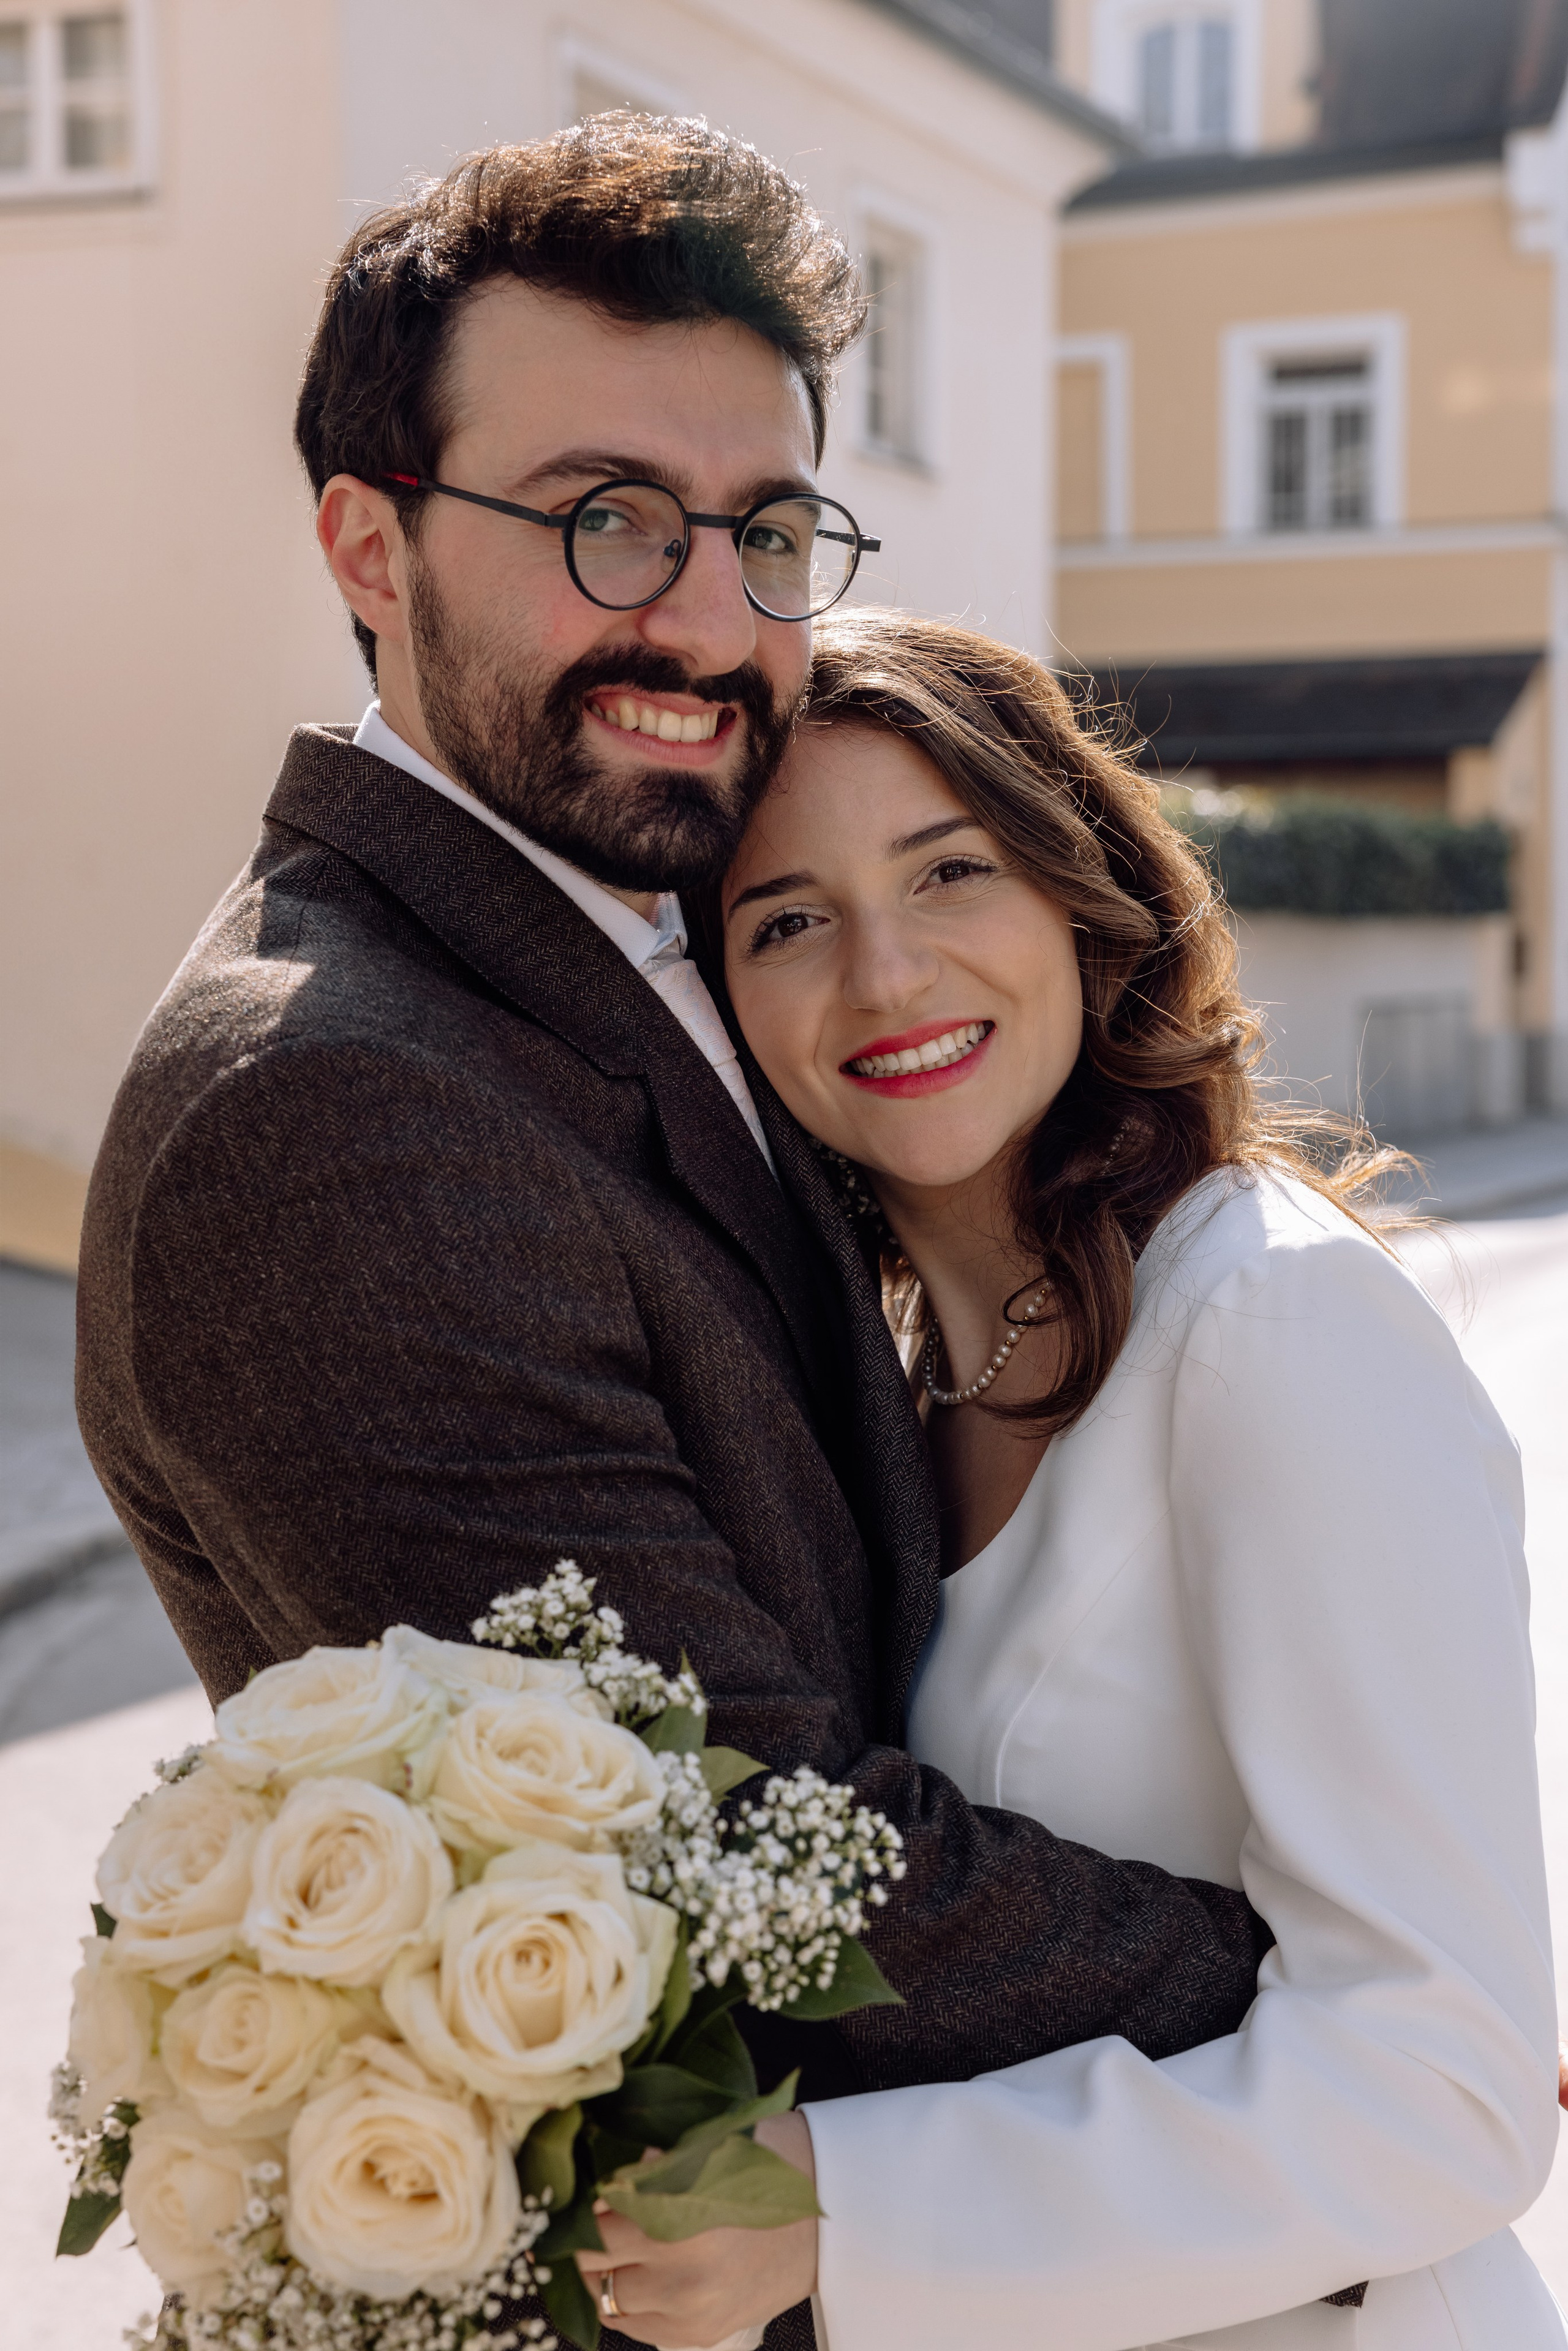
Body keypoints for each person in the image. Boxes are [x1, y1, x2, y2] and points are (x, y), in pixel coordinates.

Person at [74, 119, 1271, 2351]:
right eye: (606, 519)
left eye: (770, 532)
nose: (712, 622)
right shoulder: (332, 1111)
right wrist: (1338, 1997)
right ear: (368, 542)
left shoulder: (666, 929)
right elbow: (752, 1852)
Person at [576, 606, 1562, 2347]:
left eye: (950, 874)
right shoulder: (896, 1394)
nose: (886, 975)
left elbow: (1451, 2087)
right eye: (788, 921)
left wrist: (841, 2208)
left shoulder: (1271, 1320)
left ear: (1080, 895)